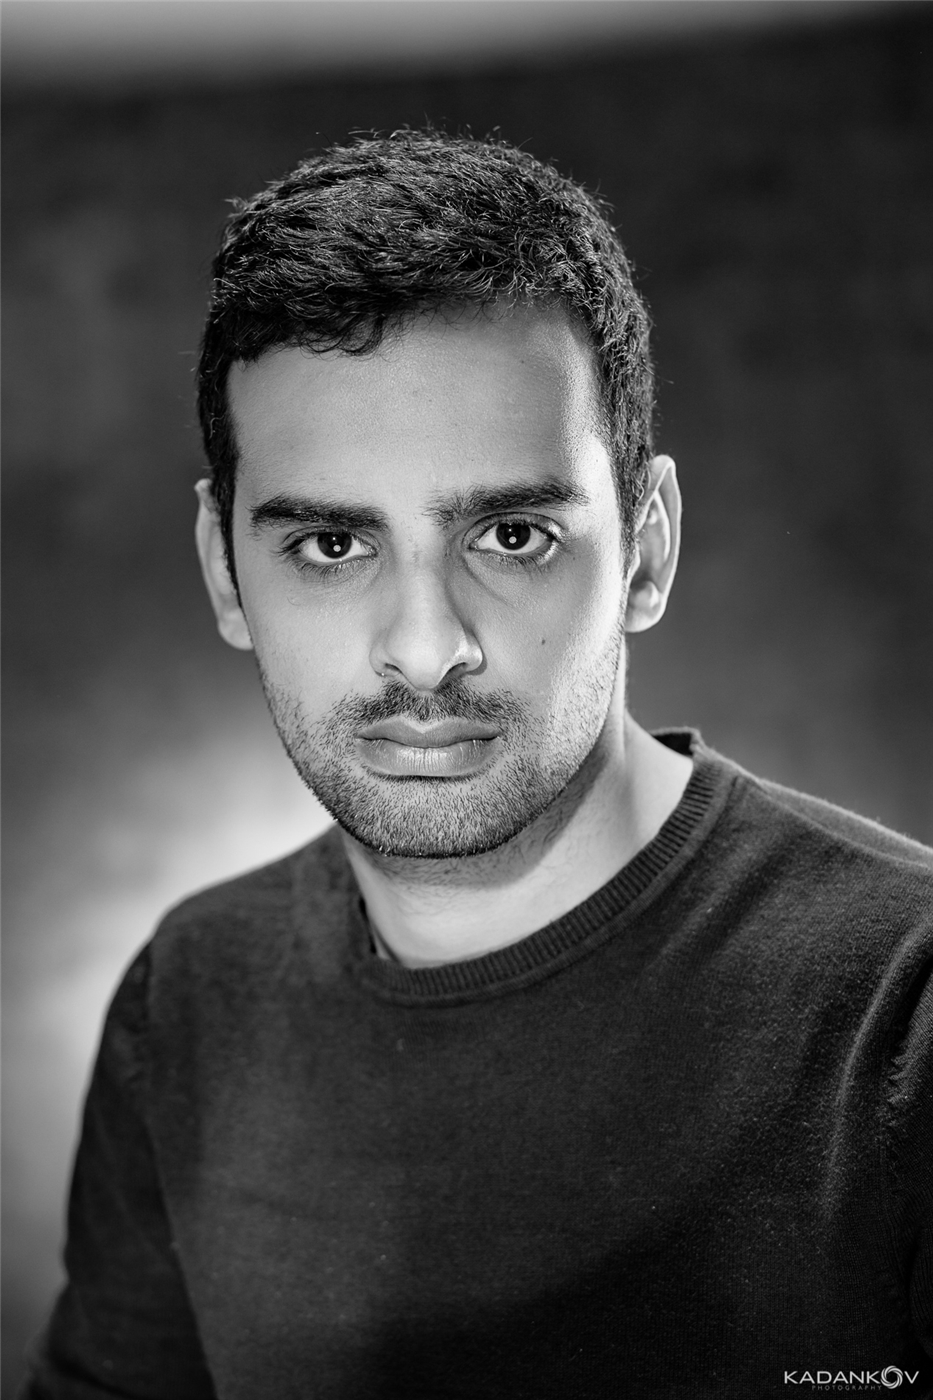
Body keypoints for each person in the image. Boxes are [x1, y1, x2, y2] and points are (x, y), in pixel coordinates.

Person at [23, 130, 933, 1399]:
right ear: (226, 570)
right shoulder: (187, 1002)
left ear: (647, 548)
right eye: (331, 545)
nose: (425, 645)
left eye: (511, 534)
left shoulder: (906, 1011)